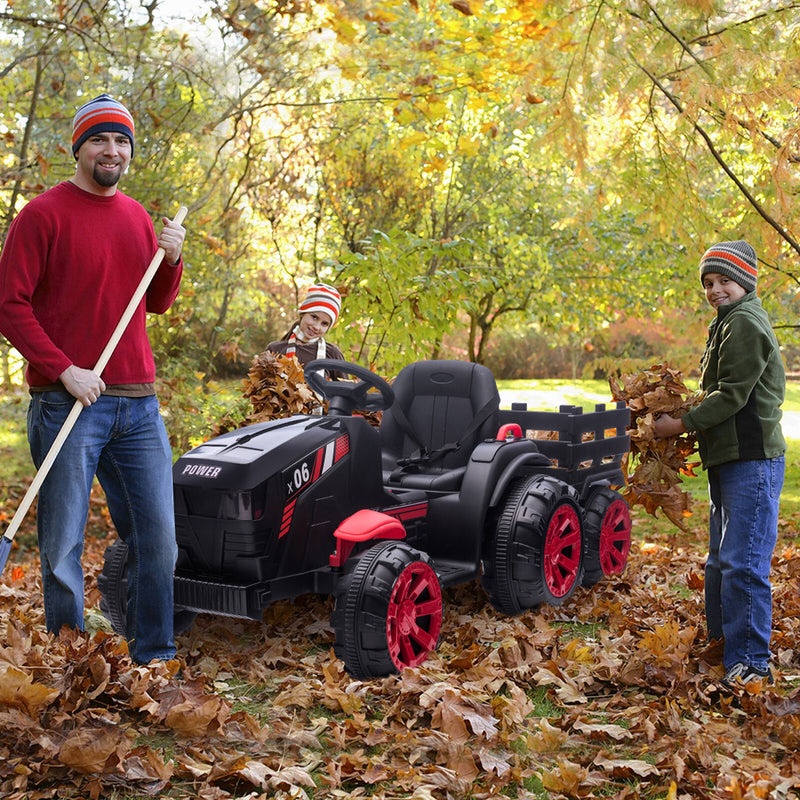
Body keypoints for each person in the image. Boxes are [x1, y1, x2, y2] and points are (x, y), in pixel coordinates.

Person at [0, 93, 186, 665]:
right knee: (62, 547)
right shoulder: (42, 215)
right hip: (66, 403)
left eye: (121, 141)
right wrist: (64, 370)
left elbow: (153, 303)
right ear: (77, 148)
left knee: (159, 540)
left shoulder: (135, 217)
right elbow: (10, 304)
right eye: (100, 140)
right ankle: (69, 660)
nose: (112, 150)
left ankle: (154, 653)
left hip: (138, 405)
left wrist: (173, 260)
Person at [653, 239, 785, 690]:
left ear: (745, 281)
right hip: (727, 459)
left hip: (752, 459)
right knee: (720, 562)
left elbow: (731, 395)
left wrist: (680, 424)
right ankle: (722, 644)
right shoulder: (725, 323)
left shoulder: (746, 322)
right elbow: (714, 389)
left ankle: (751, 663)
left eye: (724, 280)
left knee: (743, 562)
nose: (715, 289)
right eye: (708, 282)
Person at [266, 283, 346, 375]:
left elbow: (345, 387)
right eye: (314, 317)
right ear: (303, 313)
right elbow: (258, 386)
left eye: (324, 324)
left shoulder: (332, 354)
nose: (316, 327)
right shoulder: (275, 349)